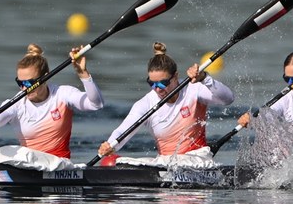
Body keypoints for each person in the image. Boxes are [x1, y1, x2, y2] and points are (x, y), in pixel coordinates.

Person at [98, 41, 235, 160]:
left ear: (175, 76)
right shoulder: (145, 104)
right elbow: (124, 130)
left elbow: (228, 99)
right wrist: (110, 145)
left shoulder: (193, 89)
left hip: (198, 160)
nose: (157, 89)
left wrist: (205, 78)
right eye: (152, 83)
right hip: (167, 164)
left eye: (162, 83)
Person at [0, 43, 104, 159]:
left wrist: (83, 73)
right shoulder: (16, 103)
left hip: (59, 166)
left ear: (46, 76)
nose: (24, 88)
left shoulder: (62, 94)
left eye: (29, 82)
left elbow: (96, 104)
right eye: (20, 82)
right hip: (29, 165)